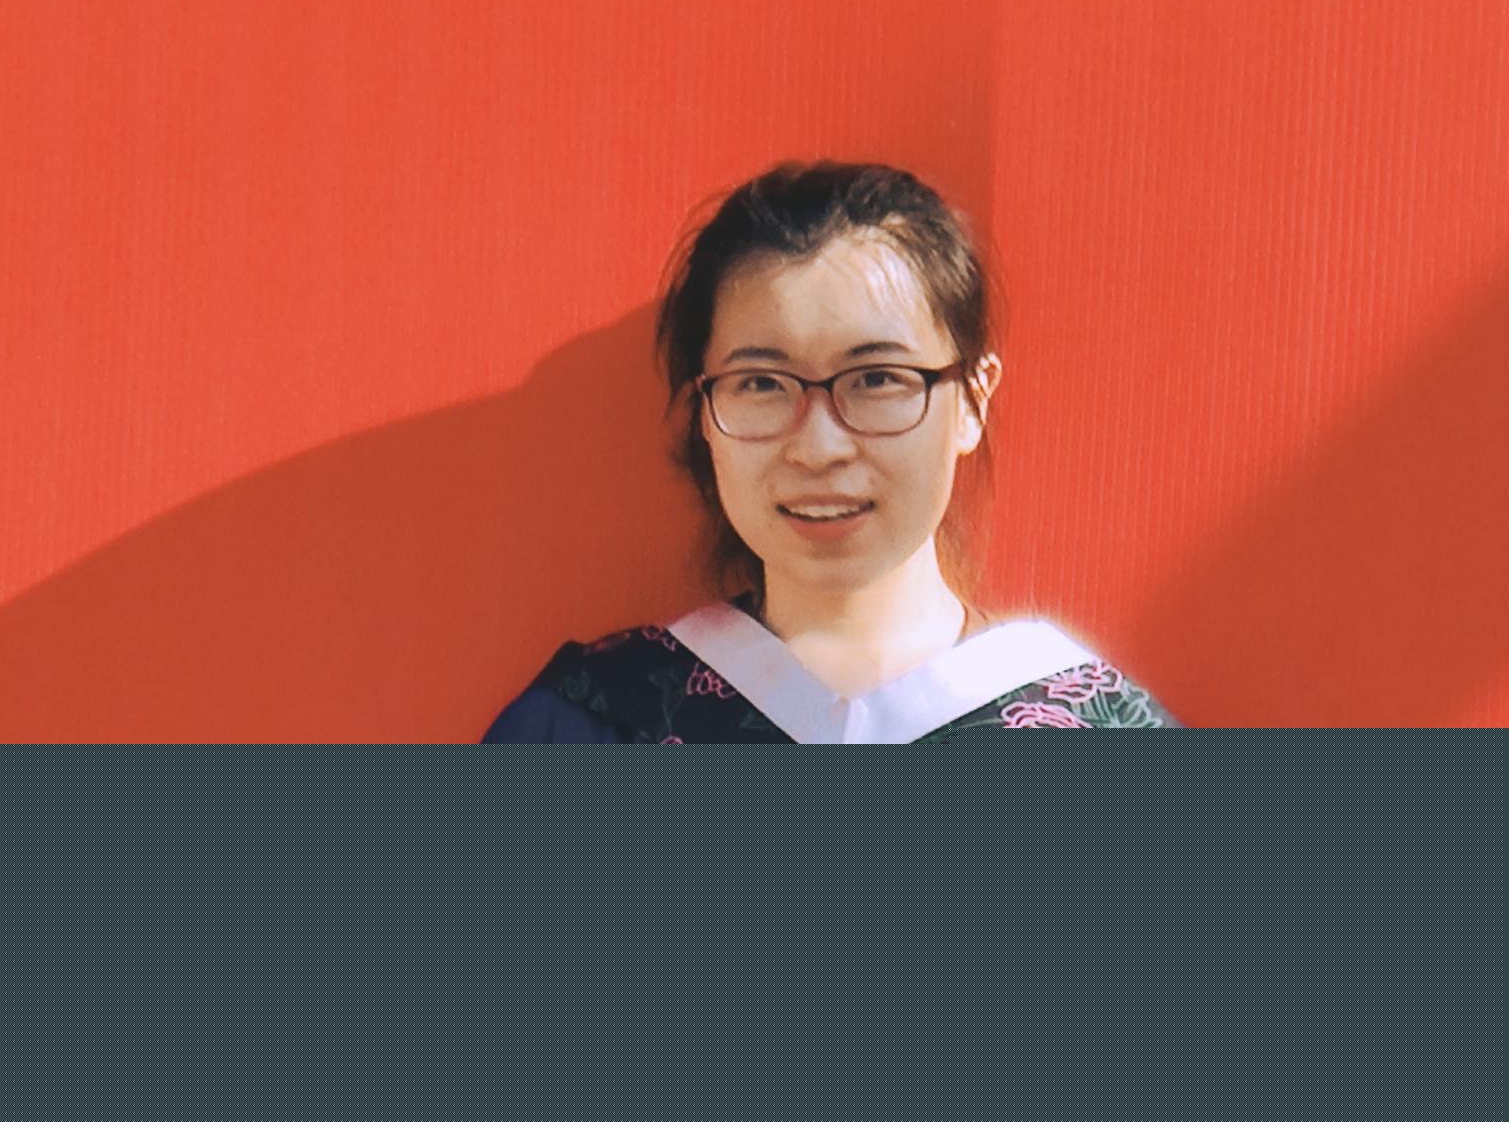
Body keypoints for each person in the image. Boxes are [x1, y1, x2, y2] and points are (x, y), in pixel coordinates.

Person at [480, 160, 1184, 742]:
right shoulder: (591, 724)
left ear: (972, 399)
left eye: (877, 378)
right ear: (704, 413)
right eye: (761, 383)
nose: (818, 447)